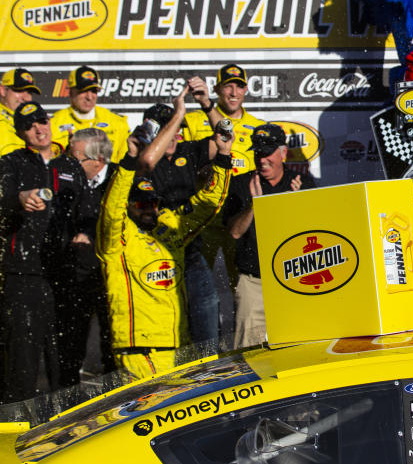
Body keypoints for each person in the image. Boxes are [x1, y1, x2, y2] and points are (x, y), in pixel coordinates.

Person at [97, 93, 232, 380]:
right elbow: (111, 210)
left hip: (176, 344)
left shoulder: (169, 230)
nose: (149, 208)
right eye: (141, 203)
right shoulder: (118, 239)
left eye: (153, 202)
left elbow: (208, 204)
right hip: (140, 347)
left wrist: (223, 157)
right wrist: (130, 159)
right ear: (130, 205)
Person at [0, 102, 86, 401]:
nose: (38, 128)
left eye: (41, 121)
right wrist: (17, 199)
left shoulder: (70, 166)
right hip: (23, 275)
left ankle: (72, 429)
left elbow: (88, 210)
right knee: (21, 360)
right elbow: (2, 201)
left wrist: (84, 233)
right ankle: (13, 432)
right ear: (20, 132)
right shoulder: (10, 163)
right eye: (29, 125)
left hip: (64, 274)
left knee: (65, 360)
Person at [222, 123, 316, 348]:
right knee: (249, 354)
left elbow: (313, 234)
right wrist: (257, 205)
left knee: (298, 349)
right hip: (254, 282)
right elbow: (235, 232)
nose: (262, 159)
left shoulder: (302, 183)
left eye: (267, 153)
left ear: (283, 153)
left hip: (294, 280)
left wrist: (295, 204)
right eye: (258, 153)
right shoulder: (240, 183)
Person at [183, 64, 265, 289]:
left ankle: (243, 326)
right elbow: (181, 168)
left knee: (242, 286)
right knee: (197, 287)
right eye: (228, 86)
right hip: (203, 220)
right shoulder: (193, 121)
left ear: (246, 90)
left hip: (238, 220)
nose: (233, 93)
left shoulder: (258, 127)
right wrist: (202, 169)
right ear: (217, 89)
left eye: (239, 87)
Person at [56, 128, 116, 385]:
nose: (71, 164)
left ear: (98, 159)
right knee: (71, 342)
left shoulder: (118, 179)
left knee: (112, 343)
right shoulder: (68, 179)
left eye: (76, 159)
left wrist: (92, 235)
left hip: (110, 274)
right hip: (74, 274)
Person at [50, 65, 128, 163]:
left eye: (94, 91)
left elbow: (125, 164)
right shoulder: (53, 123)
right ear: (70, 92)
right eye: (83, 91)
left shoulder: (117, 122)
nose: (89, 97)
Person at [0, 67, 40, 157]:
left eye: (29, 92)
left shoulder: (38, 124)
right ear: (2, 90)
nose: (26, 98)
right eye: (19, 90)